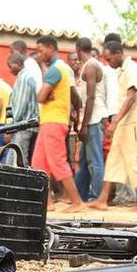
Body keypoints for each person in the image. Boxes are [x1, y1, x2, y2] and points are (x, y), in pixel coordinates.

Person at [88, 41, 137, 212]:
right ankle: (102, 199)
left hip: (133, 122)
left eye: (109, 59)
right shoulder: (122, 70)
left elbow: (131, 98)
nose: (109, 63)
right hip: (123, 122)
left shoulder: (131, 69)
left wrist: (114, 122)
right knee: (114, 160)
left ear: (118, 53)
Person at [28, 36, 85, 213]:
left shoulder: (55, 69)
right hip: (50, 122)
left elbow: (40, 96)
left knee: (57, 162)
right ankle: (47, 203)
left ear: (51, 48)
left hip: (54, 121)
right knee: (39, 164)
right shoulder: (60, 68)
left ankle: (77, 202)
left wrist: (45, 95)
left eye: (41, 50)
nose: (39, 54)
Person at [73, 37, 107, 202]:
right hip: (89, 119)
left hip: (93, 119)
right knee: (85, 162)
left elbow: (91, 97)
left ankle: (97, 197)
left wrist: (84, 125)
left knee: (95, 161)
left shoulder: (91, 66)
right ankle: (80, 195)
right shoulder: (88, 66)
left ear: (78, 49)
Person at [5, 53, 39, 165]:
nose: (9, 70)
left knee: (18, 159)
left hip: (22, 126)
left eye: (10, 66)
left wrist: (10, 129)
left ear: (18, 64)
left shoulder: (25, 77)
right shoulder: (24, 77)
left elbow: (20, 106)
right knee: (15, 157)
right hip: (22, 126)